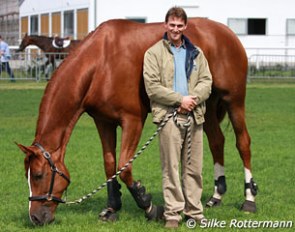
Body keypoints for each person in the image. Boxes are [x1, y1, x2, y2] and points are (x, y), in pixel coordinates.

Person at [143, 7, 212, 228]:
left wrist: (192, 100)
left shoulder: (196, 53)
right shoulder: (153, 53)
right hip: (169, 117)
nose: (175, 29)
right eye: (172, 25)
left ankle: (194, 211)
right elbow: (152, 87)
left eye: (179, 25)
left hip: (195, 115)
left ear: (185, 27)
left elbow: (206, 82)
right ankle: (173, 213)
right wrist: (178, 100)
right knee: (171, 168)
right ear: (165, 25)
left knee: (194, 168)